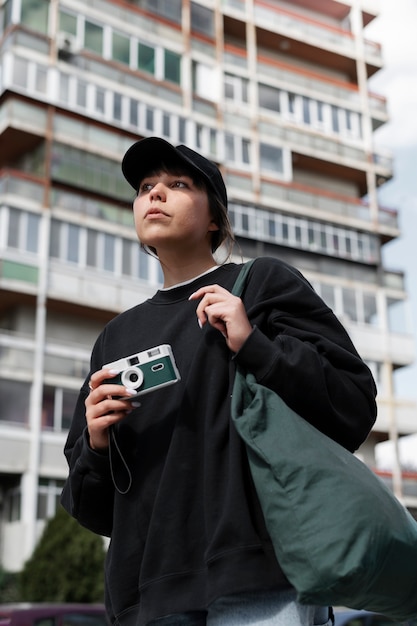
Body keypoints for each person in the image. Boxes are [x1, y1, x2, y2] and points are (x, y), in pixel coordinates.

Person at [61, 137, 377, 626]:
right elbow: (92, 509)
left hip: (261, 579)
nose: (155, 195)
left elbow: (352, 402)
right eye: (146, 187)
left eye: (178, 184)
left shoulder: (263, 284)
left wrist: (255, 344)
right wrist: (97, 445)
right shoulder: (114, 337)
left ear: (215, 219)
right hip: (149, 595)